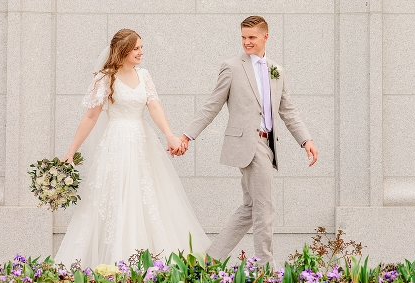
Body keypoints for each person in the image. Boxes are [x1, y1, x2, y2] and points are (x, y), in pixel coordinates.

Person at [55, 29, 210, 267]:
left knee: (148, 196)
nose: (141, 52)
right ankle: (115, 263)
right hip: (116, 144)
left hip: (142, 143)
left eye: (141, 47)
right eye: (136, 48)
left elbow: (154, 107)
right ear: (124, 50)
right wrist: (70, 151)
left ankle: (150, 263)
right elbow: (90, 117)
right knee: (117, 197)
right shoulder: (105, 78)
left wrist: (169, 135)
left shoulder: (144, 75)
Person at [176, 16, 319, 265]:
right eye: (243, 37)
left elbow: (288, 111)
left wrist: (305, 140)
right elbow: (212, 105)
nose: (246, 42)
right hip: (248, 146)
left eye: (251, 37)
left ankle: (209, 259)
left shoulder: (277, 70)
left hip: (267, 145)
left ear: (266, 36)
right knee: (266, 209)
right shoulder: (231, 67)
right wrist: (188, 134)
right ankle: (266, 268)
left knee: (250, 208)